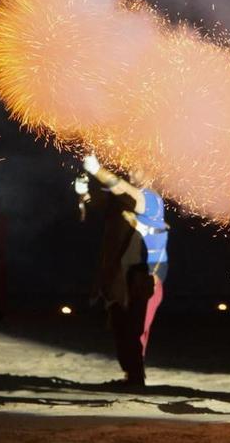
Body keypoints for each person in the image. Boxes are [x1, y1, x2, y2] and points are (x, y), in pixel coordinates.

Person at [77, 154, 168, 387]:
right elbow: (96, 204)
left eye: (137, 169)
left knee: (135, 330)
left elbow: (125, 189)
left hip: (144, 279)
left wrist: (98, 170)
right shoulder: (122, 199)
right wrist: (83, 193)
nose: (131, 172)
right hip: (121, 278)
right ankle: (131, 376)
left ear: (152, 174)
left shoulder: (152, 200)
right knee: (121, 326)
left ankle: (136, 378)